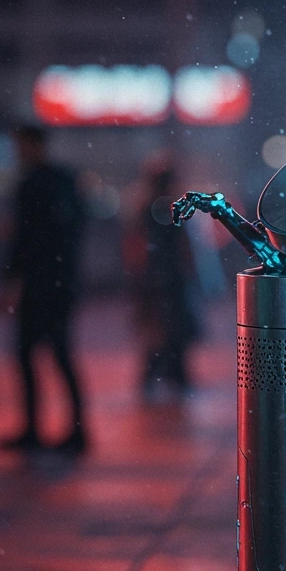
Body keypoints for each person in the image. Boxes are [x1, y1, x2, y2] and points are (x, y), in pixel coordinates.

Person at [0, 124, 87, 453]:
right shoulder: (63, 180)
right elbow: (73, 229)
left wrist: (6, 281)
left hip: (40, 284)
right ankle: (75, 431)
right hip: (60, 282)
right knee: (60, 354)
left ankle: (36, 429)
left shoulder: (32, 184)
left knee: (29, 355)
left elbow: (23, 240)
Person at [123, 157, 200, 398]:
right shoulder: (166, 207)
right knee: (170, 330)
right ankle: (172, 376)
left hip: (158, 278)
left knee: (160, 331)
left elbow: (139, 244)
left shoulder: (151, 207)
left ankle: (160, 376)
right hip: (167, 278)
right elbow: (180, 244)